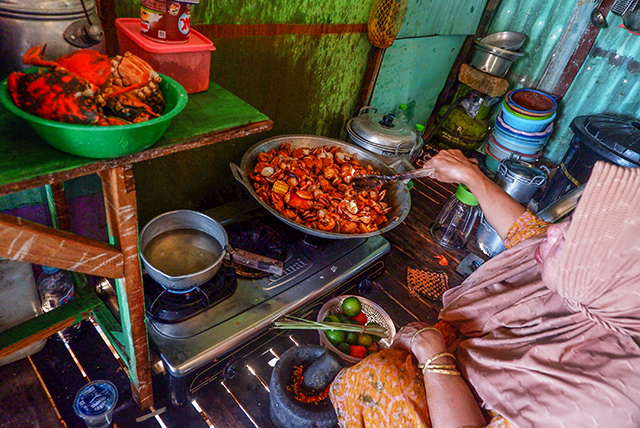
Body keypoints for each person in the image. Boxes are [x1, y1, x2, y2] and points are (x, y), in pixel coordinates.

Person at [329, 149, 640, 428]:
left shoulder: (602, 403)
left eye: (570, 241)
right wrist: (470, 175)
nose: (555, 230)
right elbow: (529, 234)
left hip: (449, 391)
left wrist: (433, 353)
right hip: (449, 353)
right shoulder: (618, 293)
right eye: (571, 221)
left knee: (383, 377)